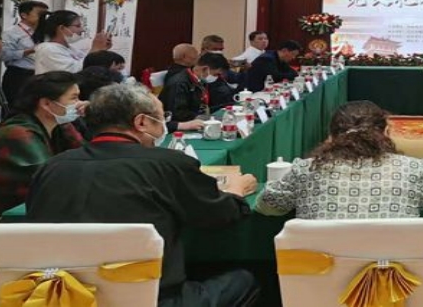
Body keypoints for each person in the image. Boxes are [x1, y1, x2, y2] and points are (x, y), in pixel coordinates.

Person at [27, 83, 259, 307]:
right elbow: (219, 214)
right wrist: (236, 191)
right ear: (141, 122)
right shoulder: (169, 164)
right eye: (161, 118)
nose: (163, 126)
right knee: (244, 279)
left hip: (60, 296)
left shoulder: (51, 168)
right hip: (154, 298)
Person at [256, 100, 423, 219]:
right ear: (386, 133)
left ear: (331, 135)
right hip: (395, 282)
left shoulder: (305, 169)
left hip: (317, 281)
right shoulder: (412, 169)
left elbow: (268, 207)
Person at [0, 72, 84, 227]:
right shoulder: (18, 134)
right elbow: (50, 181)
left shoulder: (57, 127)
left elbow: (89, 157)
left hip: (21, 211)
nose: (80, 104)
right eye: (74, 98)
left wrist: (93, 117)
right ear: (46, 104)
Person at [0, 0, 49, 104]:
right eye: (40, 14)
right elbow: (4, 55)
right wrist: (29, 51)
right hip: (19, 75)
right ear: (24, 15)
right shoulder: (11, 32)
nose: (43, 17)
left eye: (45, 14)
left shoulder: (45, 32)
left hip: (40, 75)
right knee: (16, 106)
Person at [32, 10, 110, 74]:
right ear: (62, 28)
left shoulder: (72, 49)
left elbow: (88, 63)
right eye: (78, 26)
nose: (82, 30)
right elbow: (70, 72)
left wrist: (101, 50)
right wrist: (95, 50)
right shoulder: (47, 49)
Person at [159, 44, 209, 133]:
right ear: (185, 57)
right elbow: (177, 112)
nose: (198, 57)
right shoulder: (179, 79)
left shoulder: (188, 74)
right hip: (179, 123)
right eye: (195, 54)